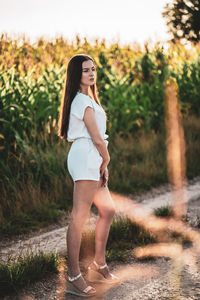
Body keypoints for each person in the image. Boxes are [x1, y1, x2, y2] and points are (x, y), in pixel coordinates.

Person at [58, 54, 118, 297]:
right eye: (85, 70)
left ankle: (98, 263)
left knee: (108, 210)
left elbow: (98, 137)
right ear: (76, 74)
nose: (91, 74)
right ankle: (73, 274)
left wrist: (101, 163)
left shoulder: (89, 99)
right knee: (80, 217)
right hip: (86, 157)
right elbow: (95, 136)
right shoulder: (81, 101)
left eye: (93, 69)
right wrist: (106, 160)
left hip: (93, 158)